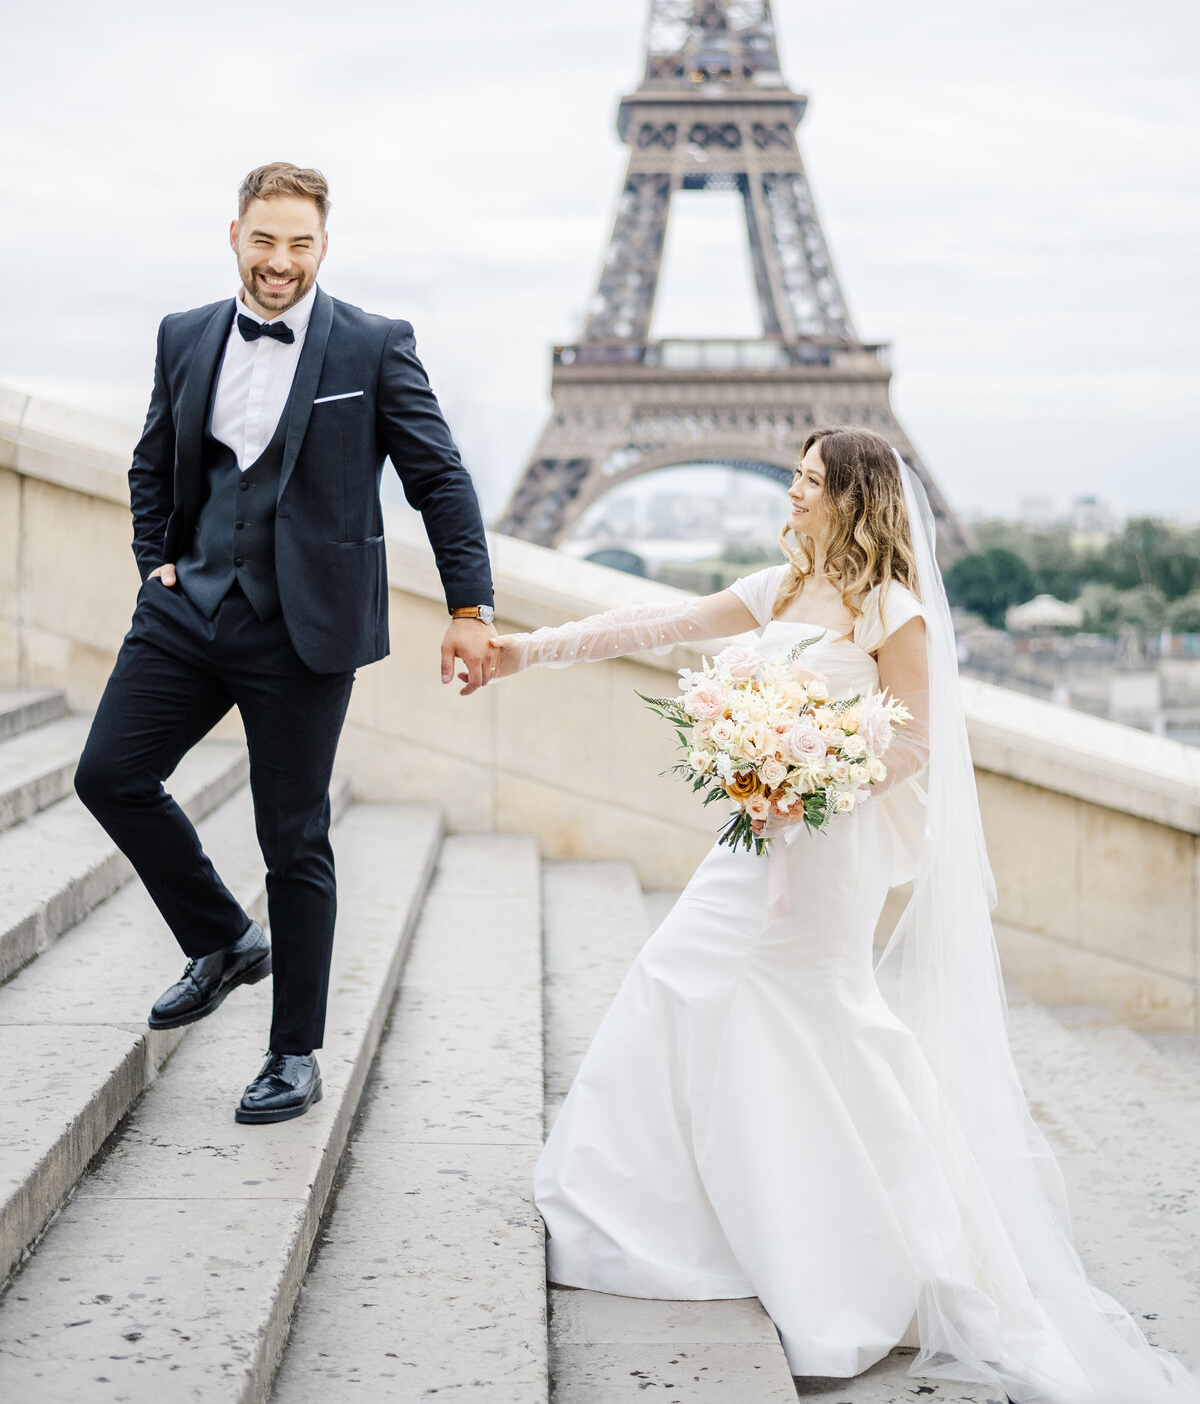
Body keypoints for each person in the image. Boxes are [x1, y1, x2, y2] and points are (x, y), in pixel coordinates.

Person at [488, 428, 1198, 1403]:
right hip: (758, 840)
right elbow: (650, 626)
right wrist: (522, 650)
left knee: (819, 1016)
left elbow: (916, 743)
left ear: (852, 498)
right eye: (796, 476)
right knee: (685, 981)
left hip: (827, 849)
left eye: (810, 482)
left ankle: (893, 1245)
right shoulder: (778, 589)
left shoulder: (893, 610)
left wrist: (813, 776)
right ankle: (677, 1208)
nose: (792, 492)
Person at [74, 162, 496, 1124]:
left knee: (292, 836)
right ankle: (223, 937)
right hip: (189, 612)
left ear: (324, 246)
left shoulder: (374, 345)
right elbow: (152, 458)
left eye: (299, 243)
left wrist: (470, 608)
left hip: (304, 630)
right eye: (264, 240)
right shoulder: (184, 335)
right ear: (233, 236)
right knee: (108, 775)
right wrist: (155, 561)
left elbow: (441, 480)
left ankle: (293, 1052)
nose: (280, 262)